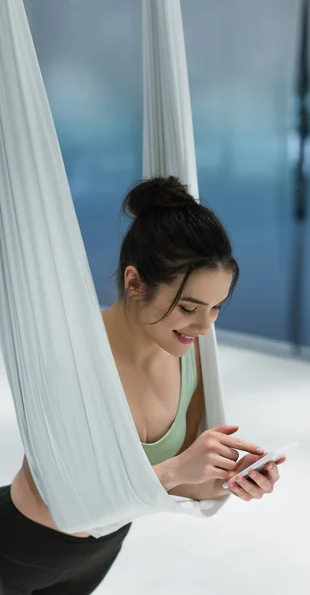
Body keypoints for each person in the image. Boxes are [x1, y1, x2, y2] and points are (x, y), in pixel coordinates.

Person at [0, 177, 285, 594]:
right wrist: (178, 466)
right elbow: (67, 500)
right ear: (134, 283)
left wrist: (231, 479)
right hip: (18, 547)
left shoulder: (190, 360)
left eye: (216, 309)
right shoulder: (74, 358)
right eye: (189, 308)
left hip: (100, 552)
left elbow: (180, 485)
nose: (205, 327)